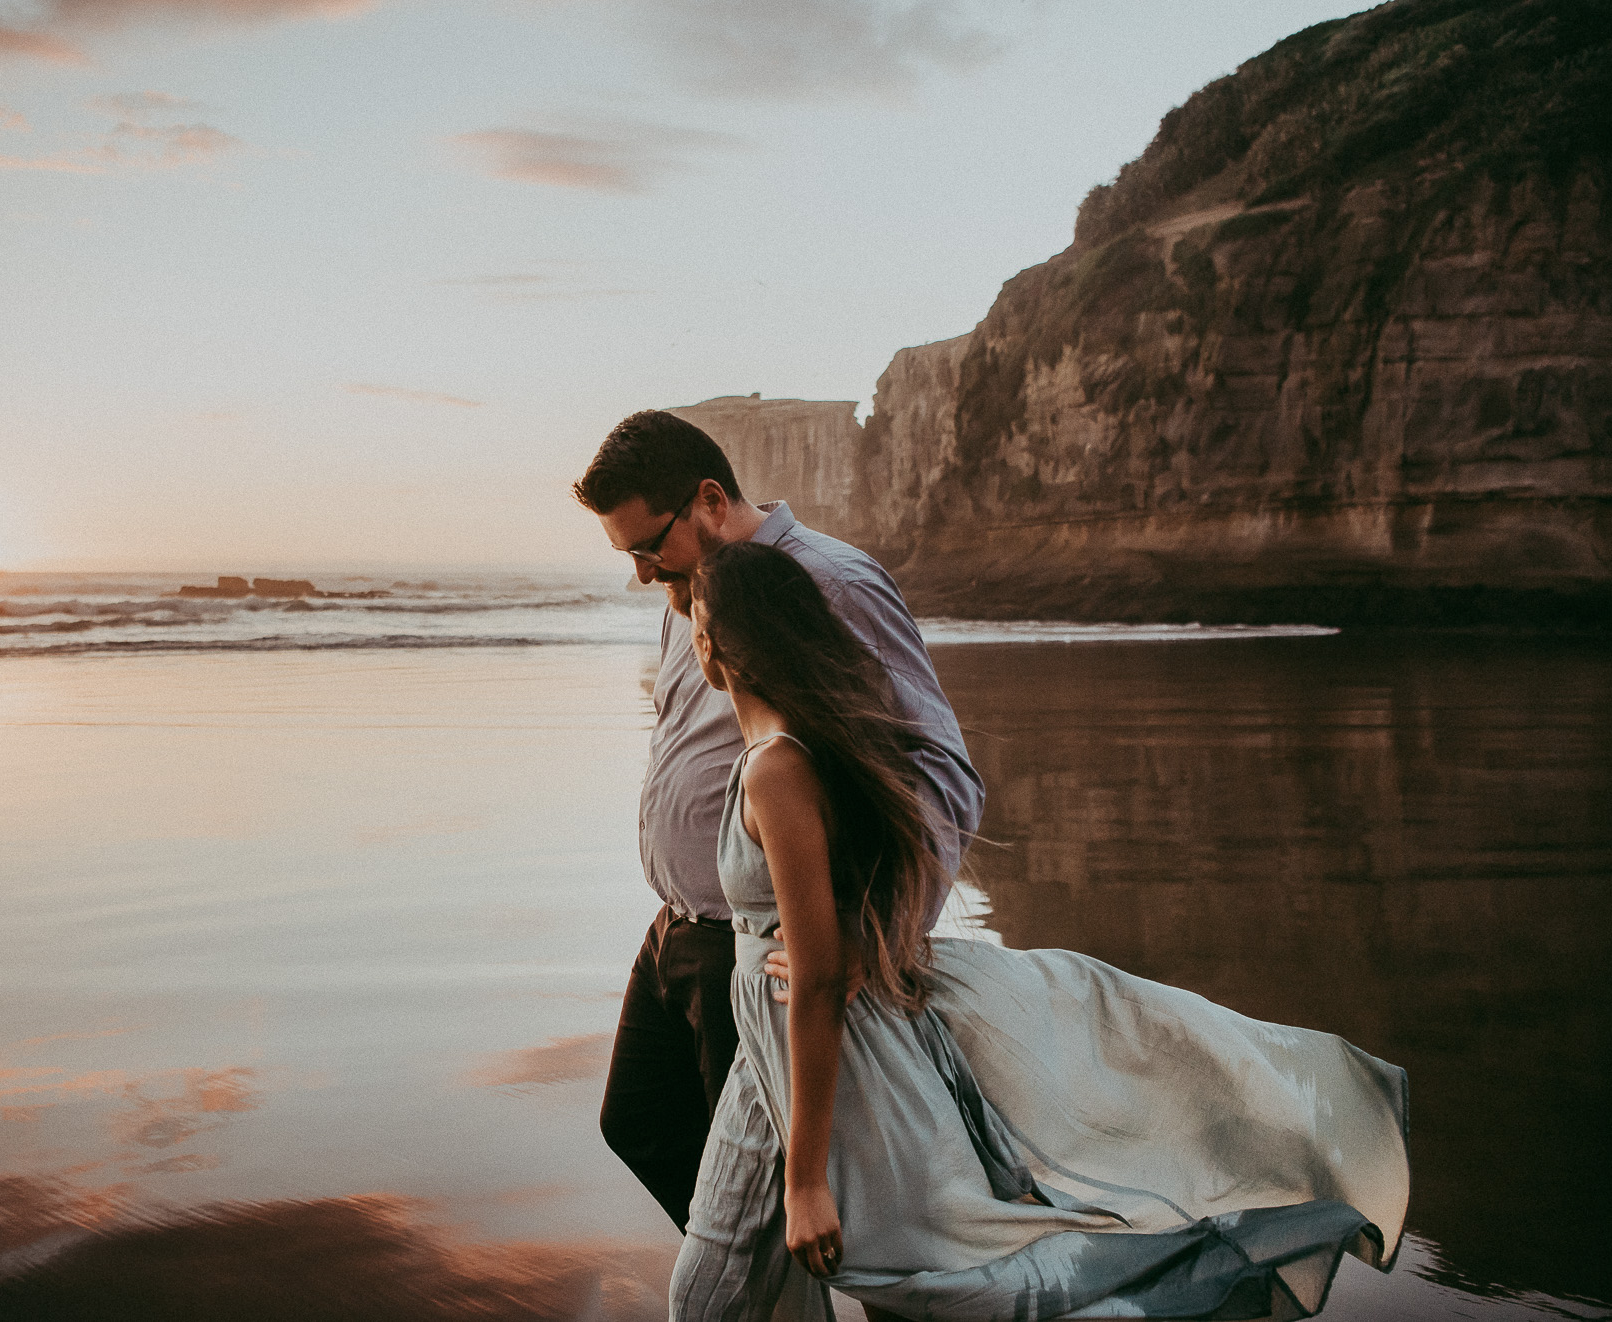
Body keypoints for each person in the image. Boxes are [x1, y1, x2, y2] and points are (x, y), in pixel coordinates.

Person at [670, 540, 1412, 1322]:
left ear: (716, 644)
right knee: (764, 1290)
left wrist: (806, 1181)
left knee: (763, 1292)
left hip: (820, 1055)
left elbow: (818, 978)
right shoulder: (793, 749)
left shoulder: (776, 766)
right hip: (777, 1052)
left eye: (696, 619)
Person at [572, 410, 984, 1235]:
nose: (646, 574)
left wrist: (883, 934)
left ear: (711, 500)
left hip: (760, 953)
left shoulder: (835, 581)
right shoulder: (692, 583)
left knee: (768, 1194)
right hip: (678, 931)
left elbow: (941, 770)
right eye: (631, 557)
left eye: (650, 546)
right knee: (641, 1122)